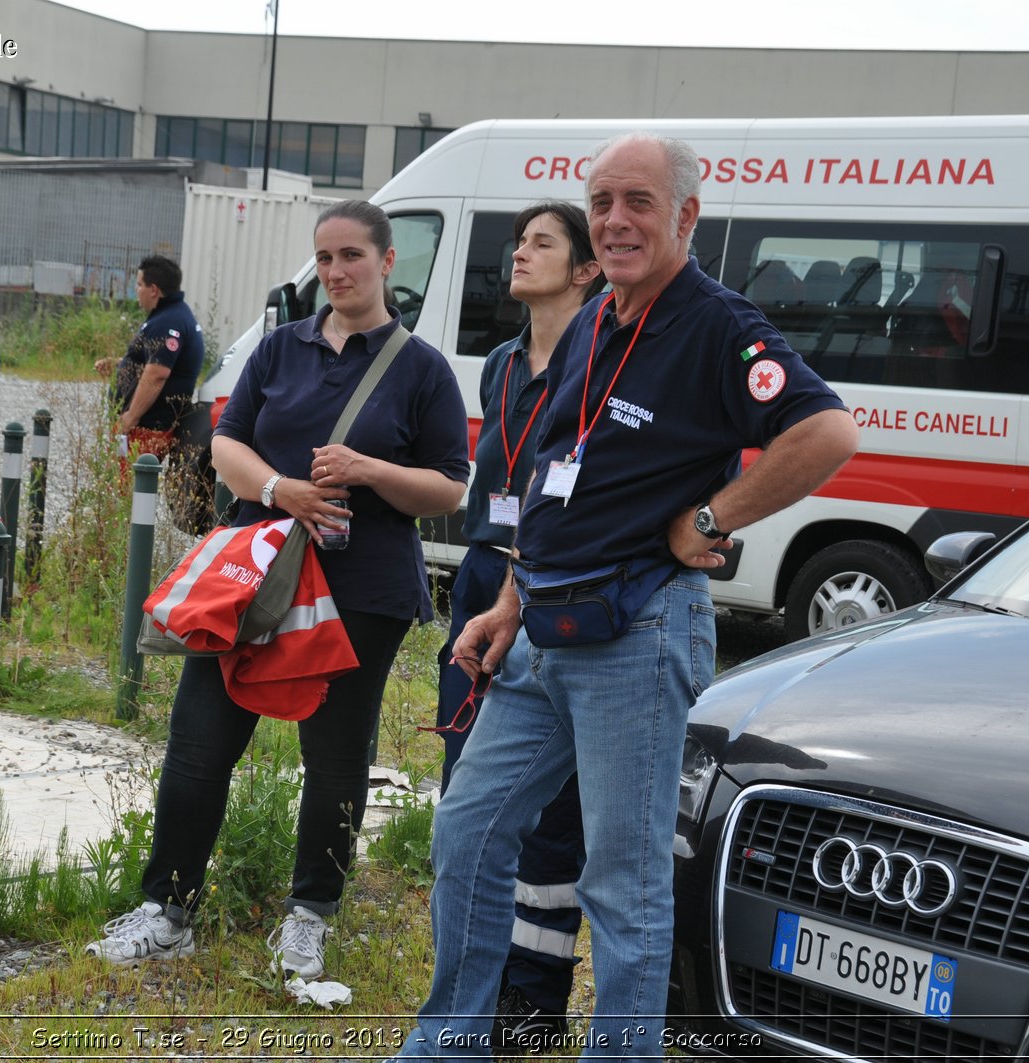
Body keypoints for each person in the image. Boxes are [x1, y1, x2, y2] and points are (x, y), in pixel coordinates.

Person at [396, 133, 858, 1058]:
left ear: (686, 214)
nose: (614, 220)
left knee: (622, 881)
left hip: (637, 633)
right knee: (470, 835)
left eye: (638, 201)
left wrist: (714, 517)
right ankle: (449, 1044)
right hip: (542, 629)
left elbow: (827, 432)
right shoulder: (596, 321)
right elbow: (563, 480)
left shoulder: (719, 325)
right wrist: (509, 603)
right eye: (601, 201)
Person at [86, 201, 469, 980]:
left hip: (361, 589)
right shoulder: (279, 348)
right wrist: (279, 488)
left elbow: (448, 488)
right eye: (324, 257)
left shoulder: (422, 368)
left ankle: (310, 917)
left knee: (333, 760)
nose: (335, 272)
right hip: (255, 580)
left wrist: (367, 472)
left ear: (389, 262)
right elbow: (225, 443)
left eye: (352, 256)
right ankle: (168, 909)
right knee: (199, 742)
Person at [429, 200, 602, 1053]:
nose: (520, 252)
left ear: (585, 269)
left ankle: (532, 1005)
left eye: (544, 242)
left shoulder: (602, 361)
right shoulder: (500, 361)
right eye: (518, 241)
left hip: (553, 586)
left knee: (551, 818)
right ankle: (472, 995)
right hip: (481, 576)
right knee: (471, 798)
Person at [93, 254, 206, 458]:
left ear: (153, 290)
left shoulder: (168, 321)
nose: (136, 290)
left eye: (139, 284)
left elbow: (157, 374)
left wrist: (131, 417)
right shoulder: (170, 315)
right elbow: (156, 361)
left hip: (147, 426)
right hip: (145, 425)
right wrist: (120, 365)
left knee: (127, 486)